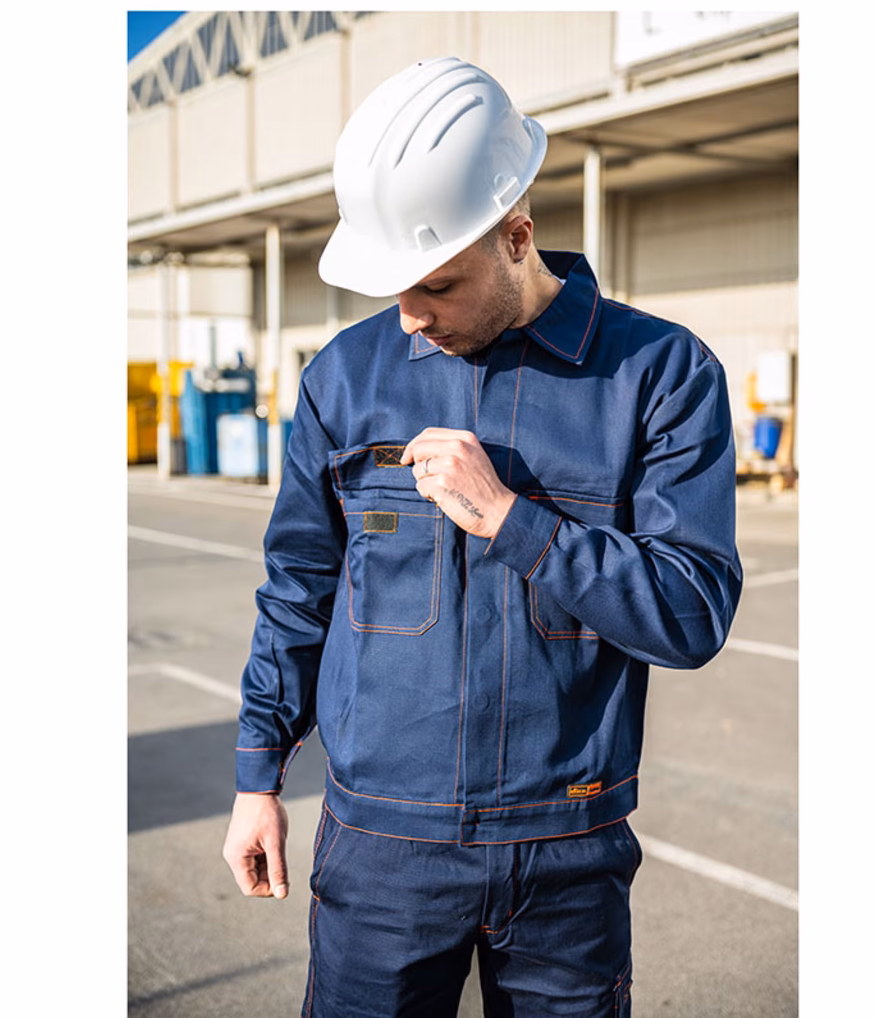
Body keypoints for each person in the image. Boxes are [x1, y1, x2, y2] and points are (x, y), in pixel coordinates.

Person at [223, 56, 742, 1017]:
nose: (411, 320)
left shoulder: (660, 377)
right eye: (394, 291)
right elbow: (299, 585)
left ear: (516, 236)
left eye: (437, 285)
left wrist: (514, 520)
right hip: (383, 847)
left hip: (567, 854)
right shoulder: (345, 379)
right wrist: (259, 776)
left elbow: (691, 613)